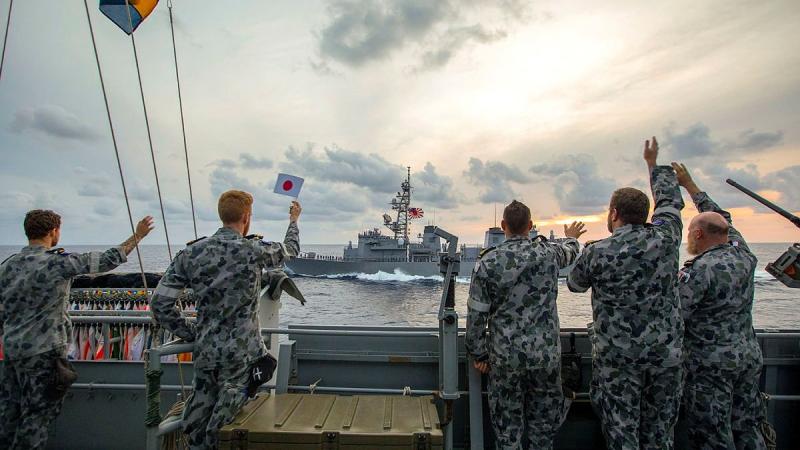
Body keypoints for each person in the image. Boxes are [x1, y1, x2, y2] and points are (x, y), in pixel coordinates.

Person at [150, 190, 301, 449]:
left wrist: (190, 332)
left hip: (206, 353)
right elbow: (291, 250)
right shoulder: (253, 249)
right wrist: (294, 221)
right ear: (246, 217)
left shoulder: (191, 253)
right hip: (242, 358)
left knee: (196, 424)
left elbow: (160, 303)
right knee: (227, 426)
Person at [0, 209, 155, 449]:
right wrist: (138, 236)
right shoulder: (56, 262)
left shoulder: (7, 266)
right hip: (44, 353)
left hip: (11, 352)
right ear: (53, 232)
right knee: (36, 419)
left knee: (8, 416)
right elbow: (105, 260)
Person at [567, 137, 685, 449]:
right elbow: (670, 203)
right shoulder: (667, 239)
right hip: (665, 358)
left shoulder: (597, 251)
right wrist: (652, 165)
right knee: (660, 435)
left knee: (622, 435)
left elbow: (574, 285)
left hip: (618, 360)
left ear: (614, 213)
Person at [465, 199, 586, 449]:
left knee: (508, 434)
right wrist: (572, 236)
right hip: (546, 360)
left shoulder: (488, 261)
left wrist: (479, 353)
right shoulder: (549, 253)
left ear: (503, 226)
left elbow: (476, 314)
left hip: (505, 361)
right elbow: (571, 250)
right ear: (530, 226)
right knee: (543, 434)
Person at [672, 163, 771, 450]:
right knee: (748, 426)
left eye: (691, 232)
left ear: (698, 235)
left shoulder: (699, 270)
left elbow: (678, 315)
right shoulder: (744, 255)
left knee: (712, 434)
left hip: (709, 365)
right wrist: (690, 185)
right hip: (748, 358)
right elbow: (723, 219)